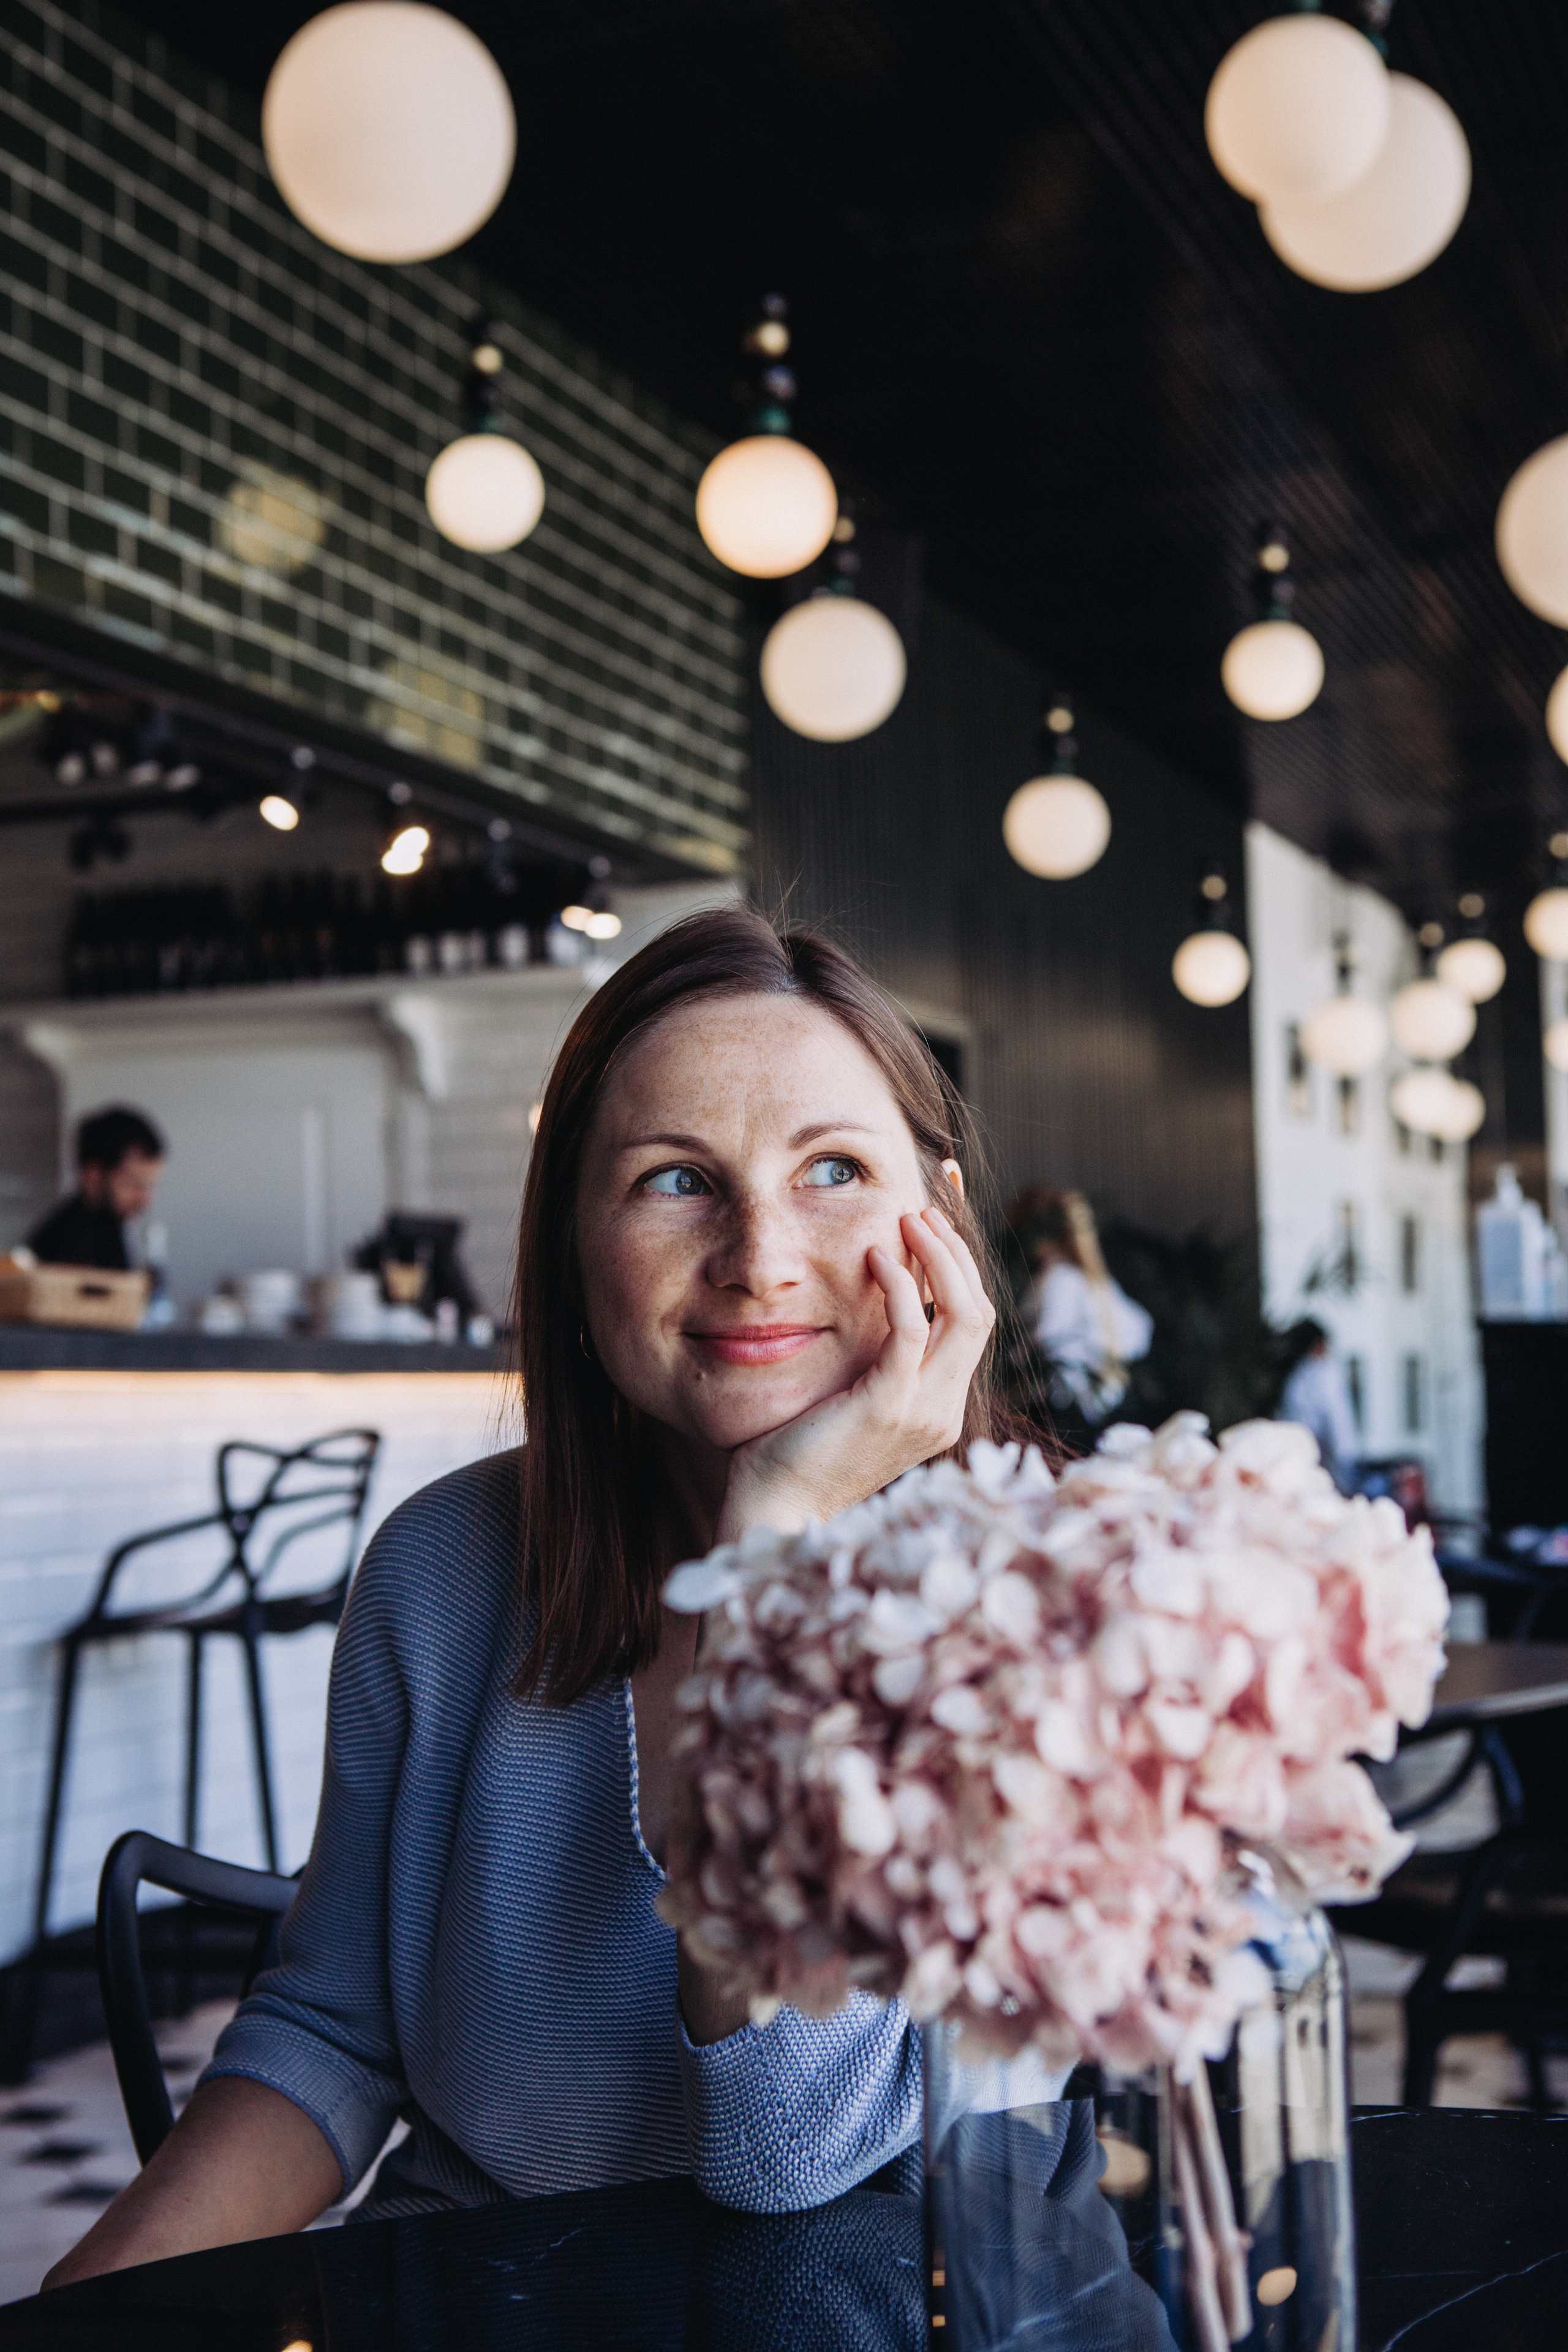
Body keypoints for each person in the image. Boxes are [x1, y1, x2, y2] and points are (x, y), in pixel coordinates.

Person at [46, 908, 1030, 2288]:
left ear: (933, 1222)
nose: (758, 1254)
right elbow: (336, 2031)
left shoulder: (1045, 1602)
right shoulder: (444, 1567)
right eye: (675, 1181)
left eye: (830, 1168)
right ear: (571, 1239)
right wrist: (87, 2302)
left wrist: (773, 1548)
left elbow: (789, 2152)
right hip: (474, 2295)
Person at [1011, 1186, 1152, 1428]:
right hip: (1103, 1405)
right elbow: (1140, 1332)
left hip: (1065, 1412)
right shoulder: (1095, 1281)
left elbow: (1044, 1343)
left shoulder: (1058, 1279)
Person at [26, 1106, 164, 1271]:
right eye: (133, 1184)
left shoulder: (110, 1230)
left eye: (150, 1186)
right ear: (93, 1176)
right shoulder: (67, 1245)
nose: (144, 1200)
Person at [1278, 1319, 1361, 1495]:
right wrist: (1343, 1454)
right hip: (1323, 1449)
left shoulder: (1299, 1374)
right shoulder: (1323, 1373)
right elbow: (1335, 1415)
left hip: (1308, 1449)